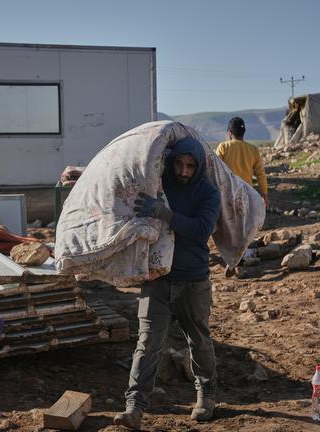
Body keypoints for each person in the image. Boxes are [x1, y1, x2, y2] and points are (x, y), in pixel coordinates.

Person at [114, 137, 221, 430]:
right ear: (171, 162)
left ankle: (206, 397)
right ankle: (134, 407)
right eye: (179, 164)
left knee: (198, 339)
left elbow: (201, 231)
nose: (184, 171)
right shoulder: (159, 186)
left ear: (198, 167)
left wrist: (166, 214)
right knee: (147, 343)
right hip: (157, 278)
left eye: (190, 166)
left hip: (193, 281)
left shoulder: (208, 193)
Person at [215, 117, 268, 208]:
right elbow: (260, 174)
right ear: (244, 132)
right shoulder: (253, 149)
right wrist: (264, 194)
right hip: (247, 192)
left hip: (228, 192)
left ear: (230, 133)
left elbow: (214, 168)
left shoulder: (223, 147)